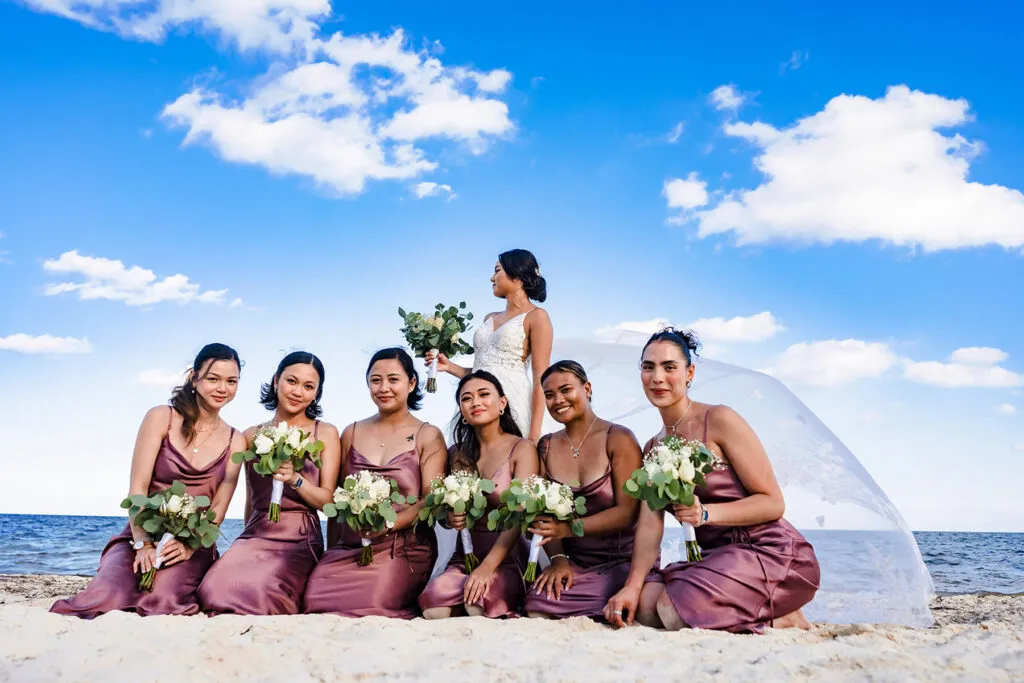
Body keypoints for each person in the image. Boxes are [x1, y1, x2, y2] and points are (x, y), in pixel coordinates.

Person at [603, 329, 820, 633]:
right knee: (647, 607)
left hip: (766, 549)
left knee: (671, 610)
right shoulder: (652, 449)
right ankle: (758, 610)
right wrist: (632, 586)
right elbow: (651, 525)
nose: (657, 377)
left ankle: (781, 614)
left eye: (669, 367)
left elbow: (773, 503)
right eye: (648, 367)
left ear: (689, 373)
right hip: (712, 559)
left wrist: (706, 514)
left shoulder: (719, 420)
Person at [51, 343, 247, 618]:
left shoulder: (236, 440)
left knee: (162, 598)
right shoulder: (161, 417)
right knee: (111, 593)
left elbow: (218, 510)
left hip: (191, 543)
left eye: (231, 381)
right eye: (213, 379)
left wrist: (189, 546)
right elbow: (138, 489)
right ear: (194, 377)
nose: (222, 388)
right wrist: (142, 543)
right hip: (140, 532)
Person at [302, 348, 446, 618]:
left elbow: (430, 501)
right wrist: (331, 550)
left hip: (403, 549)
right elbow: (337, 496)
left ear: (412, 383)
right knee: (314, 598)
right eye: (375, 380)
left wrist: (387, 524)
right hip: (351, 547)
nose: (384, 388)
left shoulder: (428, 435)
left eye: (393, 379)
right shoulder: (352, 431)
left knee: (370, 602)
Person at [198, 352, 341, 615]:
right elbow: (251, 498)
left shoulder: (326, 434)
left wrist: (296, 479)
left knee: (261, 589)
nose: (298, 392)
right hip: (256, 532)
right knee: (212, 588)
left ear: (316, 394)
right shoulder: (250, 436)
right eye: (291, 381)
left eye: (308, 387)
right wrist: (245, 542)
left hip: (299, 537)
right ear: (276, 381)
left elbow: (329, 502)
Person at [523, 361, 642, 619]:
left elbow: (627, 513)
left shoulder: (619, 438)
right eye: (549, 395)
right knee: (537, 603)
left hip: (621, 560)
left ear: (587, 388)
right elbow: (543, 514)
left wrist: (568, 528)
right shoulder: (546, 446)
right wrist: (558, 559)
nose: (558, 400)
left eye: (566, 390)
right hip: (575, 562)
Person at [419, 371, 539, 618]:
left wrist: (487, 568)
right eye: (466, 398)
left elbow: (519, 517)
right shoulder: (455, 453)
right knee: (433, 609)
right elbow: (440, 511)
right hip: (464, 556)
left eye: (484, 395)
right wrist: (450, 518)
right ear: (461, 410)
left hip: (506, 556)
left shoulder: (522, 448)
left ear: (502, 403)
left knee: (477, 606)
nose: (475, 402)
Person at [425, 249, 552, 442]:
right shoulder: (489, 318)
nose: (492, 278)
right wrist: (448, 366)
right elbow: (481, 370)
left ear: (517, 276)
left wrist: (534, 435)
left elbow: (540, 380)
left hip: (512, 400)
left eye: (497, 270)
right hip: (478, 400)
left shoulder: (537, 316)